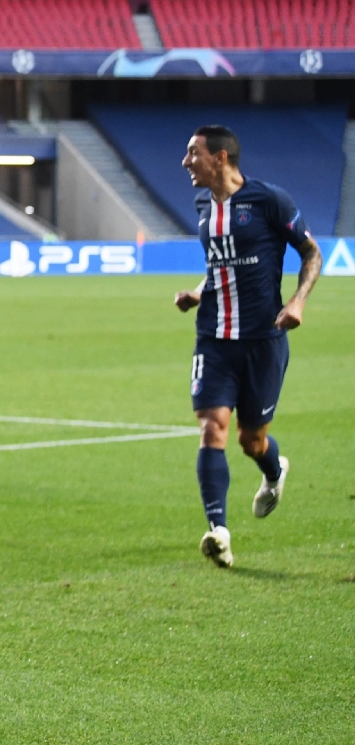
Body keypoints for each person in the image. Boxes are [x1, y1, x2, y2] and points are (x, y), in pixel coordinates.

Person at [174, 125, 320, 568]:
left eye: (193, 152)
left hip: (262, 339)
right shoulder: (203, 205)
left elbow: (311, 253)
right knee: (211, 427)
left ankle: (274, 471)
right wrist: (200, 291)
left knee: (251, 440)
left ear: (220, 158)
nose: (185, 162)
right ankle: (218, 531)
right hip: (214, 337)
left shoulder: (269, 201)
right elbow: (219, 264)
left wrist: (297, 301)